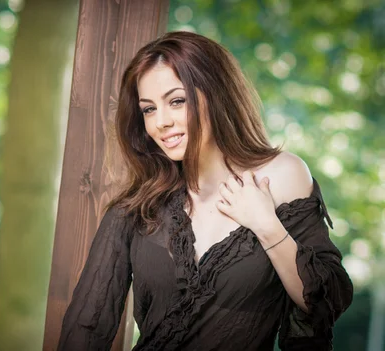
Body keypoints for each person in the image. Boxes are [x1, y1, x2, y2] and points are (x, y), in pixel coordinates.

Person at [57, 31, 353, 350]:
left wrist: (267, 226)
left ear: (215, 93)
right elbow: (86, 328)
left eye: (176, 101)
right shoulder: (137, 208)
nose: (161, 122)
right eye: (149, 109)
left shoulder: (282, 175)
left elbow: (327, 299)